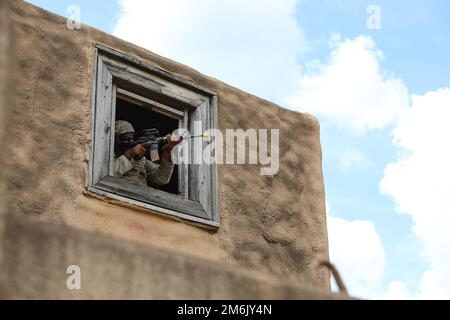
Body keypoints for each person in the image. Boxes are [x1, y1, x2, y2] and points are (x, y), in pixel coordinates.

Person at [113, 120, 180, 187]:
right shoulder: (109, 157)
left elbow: (161, 179)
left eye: (132, 137)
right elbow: (109, 174)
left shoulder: (140, 160)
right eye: (126, 137)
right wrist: (128, 155)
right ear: (116, 138)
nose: (130, 141)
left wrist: (168, 153)